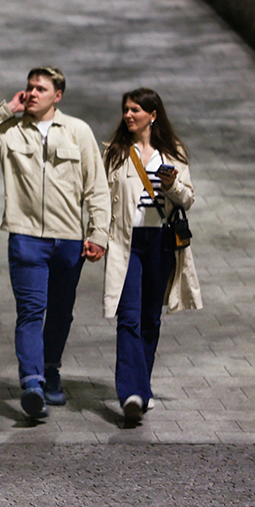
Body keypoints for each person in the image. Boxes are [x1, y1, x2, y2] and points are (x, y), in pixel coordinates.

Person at [0, 66, 110, 418]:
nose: (31, 93)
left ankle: (51, 370)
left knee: (60, 312)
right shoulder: (9, 132)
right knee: (30, 311)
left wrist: (98, 233)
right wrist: (7, 108)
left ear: (57, 96)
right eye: (29, 87)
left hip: (69, 239)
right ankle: (32, 383)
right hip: (26, 237)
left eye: (40, 89)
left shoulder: (77, 131)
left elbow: (97, 187)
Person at [102, 88, 202, 422]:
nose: (128, 115)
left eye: (135, 110)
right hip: (127, 242)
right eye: (126, 110)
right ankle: (131, 392)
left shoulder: (173, 152)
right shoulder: (115, 152)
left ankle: (142, 386)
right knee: (128, 316)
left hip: (161, 241)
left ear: (153, 115)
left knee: (150, 318)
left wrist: (171, 184)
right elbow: (102, 196)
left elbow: (188, 199)